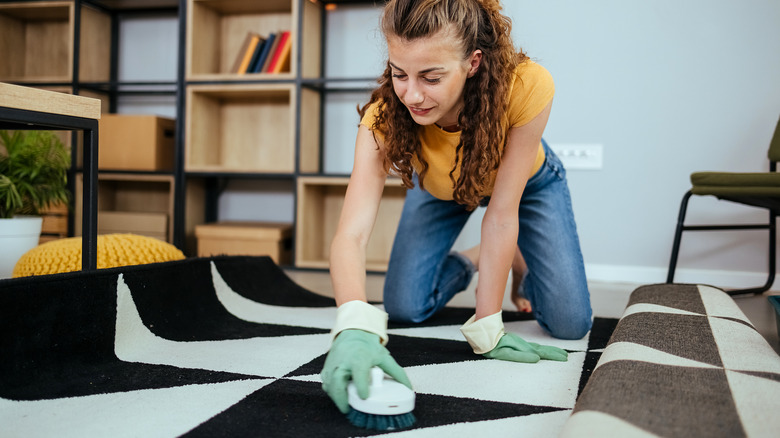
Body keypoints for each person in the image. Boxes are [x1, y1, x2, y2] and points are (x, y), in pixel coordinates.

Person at [321, 0, 593, 415]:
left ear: (473, 62)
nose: (412, 94)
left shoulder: (527, 85)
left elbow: (501, 215)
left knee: (571, 322)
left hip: (526, 186)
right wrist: (354, 323)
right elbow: (351, 233)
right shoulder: (382, 118)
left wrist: (488, 326)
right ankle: (476, 259)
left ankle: (520, 264)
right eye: (399, 74)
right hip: (441, 188)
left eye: (431, 77)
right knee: (406, 308)